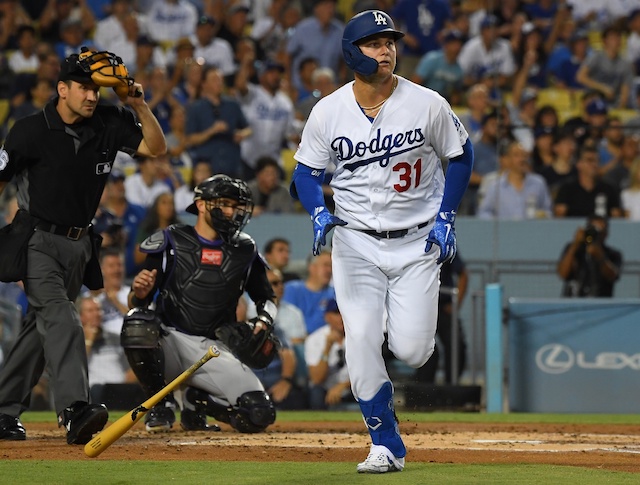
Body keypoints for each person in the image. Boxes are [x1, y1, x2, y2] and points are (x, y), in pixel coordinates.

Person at [289, 11, 473, 474]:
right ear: (353, 51)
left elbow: (461, 154)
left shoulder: (426, 102)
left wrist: (447, 216)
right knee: (362, 339)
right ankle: (385, 442)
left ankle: (389, 381)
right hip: (355, 242)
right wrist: (316, 211)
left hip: (417, 242)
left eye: (389, 41)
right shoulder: (328, 110)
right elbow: (305, 172)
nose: (386, 49)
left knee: (413, 350)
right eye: (374, 42)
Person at [0, 49, 166, 443]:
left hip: (79, 245)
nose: (92, 96)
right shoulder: (29, 130)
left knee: (41, 330)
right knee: (62, 318)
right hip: (37, 240)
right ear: (62, 88)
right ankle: (75, 410)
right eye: (84, 88)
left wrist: (139, 105)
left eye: (96, 89)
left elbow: (155, 148)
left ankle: (3, 409)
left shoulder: (109, 121)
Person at [123, 174, 279, 433]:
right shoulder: (171, 240)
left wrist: (264, 320)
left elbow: (267, 298)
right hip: (169, 342)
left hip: (214, 349)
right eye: (224, 203)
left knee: (257, 414)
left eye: (235, 205)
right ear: (202, 204)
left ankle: (198, 402)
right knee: (137, 323)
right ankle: (160, 404)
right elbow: (137, 302)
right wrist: (139, 292)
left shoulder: (245, 249)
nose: (230, 211)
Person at [414, 253, 468, 384]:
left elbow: (463, 274)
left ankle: (451, 386)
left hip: (443, 306)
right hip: (419, 309)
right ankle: (423, 391)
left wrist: (456, 303)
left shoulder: (440, 239)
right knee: (426, 350)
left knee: (456, 345)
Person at [557, 215, 622, 297]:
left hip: (600, 303)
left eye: (600, 230)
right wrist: (575, 245)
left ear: (606, 233)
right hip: (573, 301)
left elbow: (612, 276)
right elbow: (563, 274)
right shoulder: (573, 249)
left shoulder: (613, 254)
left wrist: (600, 256)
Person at [304, 298, 351, 410]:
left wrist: (343, 385)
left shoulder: (358, 336)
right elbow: (316, 378)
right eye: (336, 313)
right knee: (316, 392)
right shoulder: (315, 339)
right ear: (327, 316)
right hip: (325, 389)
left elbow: (368, 370)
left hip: (353, 387)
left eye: (343, 312)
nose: (341, 317)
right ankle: (318, 427)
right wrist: (327, 348)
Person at [282, 251, 335, 336]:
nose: (329, 270)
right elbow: (285, 320)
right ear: (312, 267)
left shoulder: (334, 294)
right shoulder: (291, 289)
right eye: (326, 265)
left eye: (331, 266)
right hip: (295, 341)